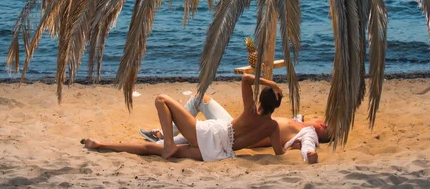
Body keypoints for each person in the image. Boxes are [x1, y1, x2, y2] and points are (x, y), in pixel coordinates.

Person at [81, 73, 285, 162]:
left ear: (259, 99)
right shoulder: (272, 127)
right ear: (276, 106)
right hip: (219, 153)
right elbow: (278, 153)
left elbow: (246, 78)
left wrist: (273, 85)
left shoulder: (250, 111)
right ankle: (99, 144)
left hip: (208, 135)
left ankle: (167, 142)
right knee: (151, 149)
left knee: (161, 99)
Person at [139, 78, 330, 164]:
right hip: (232, 128)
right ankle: (166, 137)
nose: (322, 123)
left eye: (324, 128)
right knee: (200, 99)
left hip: (234, 132)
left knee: (199, 102)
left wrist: (308, 153)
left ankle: (164, 137)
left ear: (320, 131)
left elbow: (307, 145)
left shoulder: (307, 133)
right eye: (323, 121)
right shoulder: (297, 120)